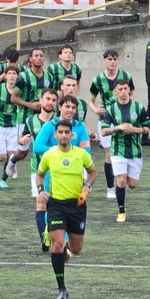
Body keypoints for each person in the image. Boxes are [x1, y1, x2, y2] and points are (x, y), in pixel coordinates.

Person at [36, 120, 97, 299]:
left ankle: (66, 250)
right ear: (55, 135)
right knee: (57, 245)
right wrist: (41, 191)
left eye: (66, 132)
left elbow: (93, 172)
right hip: (56, 205)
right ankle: (61, 288)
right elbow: (39, 174)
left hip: (77, 206)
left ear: (72, 135)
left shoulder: (81, 154)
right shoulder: (49, 155)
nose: (63, 135)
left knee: (76, 249)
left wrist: (87, 187)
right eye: (60, 132)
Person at [33, 94, 91, 252]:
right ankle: (58, 239)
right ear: (60, 107)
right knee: (50, 204)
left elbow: (87, 149)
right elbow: (37, 146)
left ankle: (64, 236)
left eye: (73, 108)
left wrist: (72, 155)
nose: (70, 110)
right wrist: (56, 152)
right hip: (53, 173)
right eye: (67, 107)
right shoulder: (50, 126)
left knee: (76, 205)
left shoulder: (80, 127)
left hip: (74, 172)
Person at [100, 80, 150, 223]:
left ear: (129, 90)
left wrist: (135, 130)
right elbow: (104, 131)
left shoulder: (139, 107)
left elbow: (147, 128)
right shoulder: (110, 109)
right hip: (117, 150)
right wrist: (118, 128)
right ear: (115, 92)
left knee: (132, 184)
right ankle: (121, 211)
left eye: (125, 88)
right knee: (121, 180)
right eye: (120, 89)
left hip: (135, 151)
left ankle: (126, 182)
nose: (123, 91)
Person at [88, 49, 135, 199]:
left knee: (123, 150)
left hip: (124, 120)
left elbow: (132, 94)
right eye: (110, 59)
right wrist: (96, 110)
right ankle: (110, 187)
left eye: (115, 59)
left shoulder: (126, 76)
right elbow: (91, 100)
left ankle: (124, 178)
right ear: (104, 60)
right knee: (108, 154)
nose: (112, 62)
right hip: (106, 121)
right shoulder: (98, 79)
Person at [6, 48, 54, 184]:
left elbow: (53, 94)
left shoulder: (49, 77)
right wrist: (30, 105)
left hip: (44, 118)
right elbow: (13, 98)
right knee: (23, 152)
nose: (39, 58)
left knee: (42, 147)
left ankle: (39, 178)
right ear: (31, 59)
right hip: (25, 119)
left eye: (41, 56)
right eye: (36, 56)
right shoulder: (23, 77)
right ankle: (13, 160)